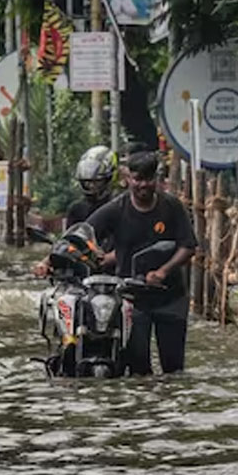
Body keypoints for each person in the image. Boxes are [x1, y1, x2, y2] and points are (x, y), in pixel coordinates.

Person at [87, 151, 197, 375]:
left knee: (174, 369)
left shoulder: (172, 207)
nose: (143, 185)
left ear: (157, 179)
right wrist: (51, 259)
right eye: (137, 179)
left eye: (148, 179)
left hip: (171, 297)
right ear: (128, 179)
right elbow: (84, 233)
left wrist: (164, 271)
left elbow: (188, 246)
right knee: (138, 371)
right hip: (131, 301)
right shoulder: (116, 209)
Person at [31, 145, 117, 277]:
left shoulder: (120, 205)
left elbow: (131, 244)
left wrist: (110, 257)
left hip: (115, 274)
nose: (92, 187)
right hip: (82, 272)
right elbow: (69, 240)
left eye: (96, 182)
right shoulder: (77, 209)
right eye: (87, 183)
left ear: (109, 179)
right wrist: (46, 263)